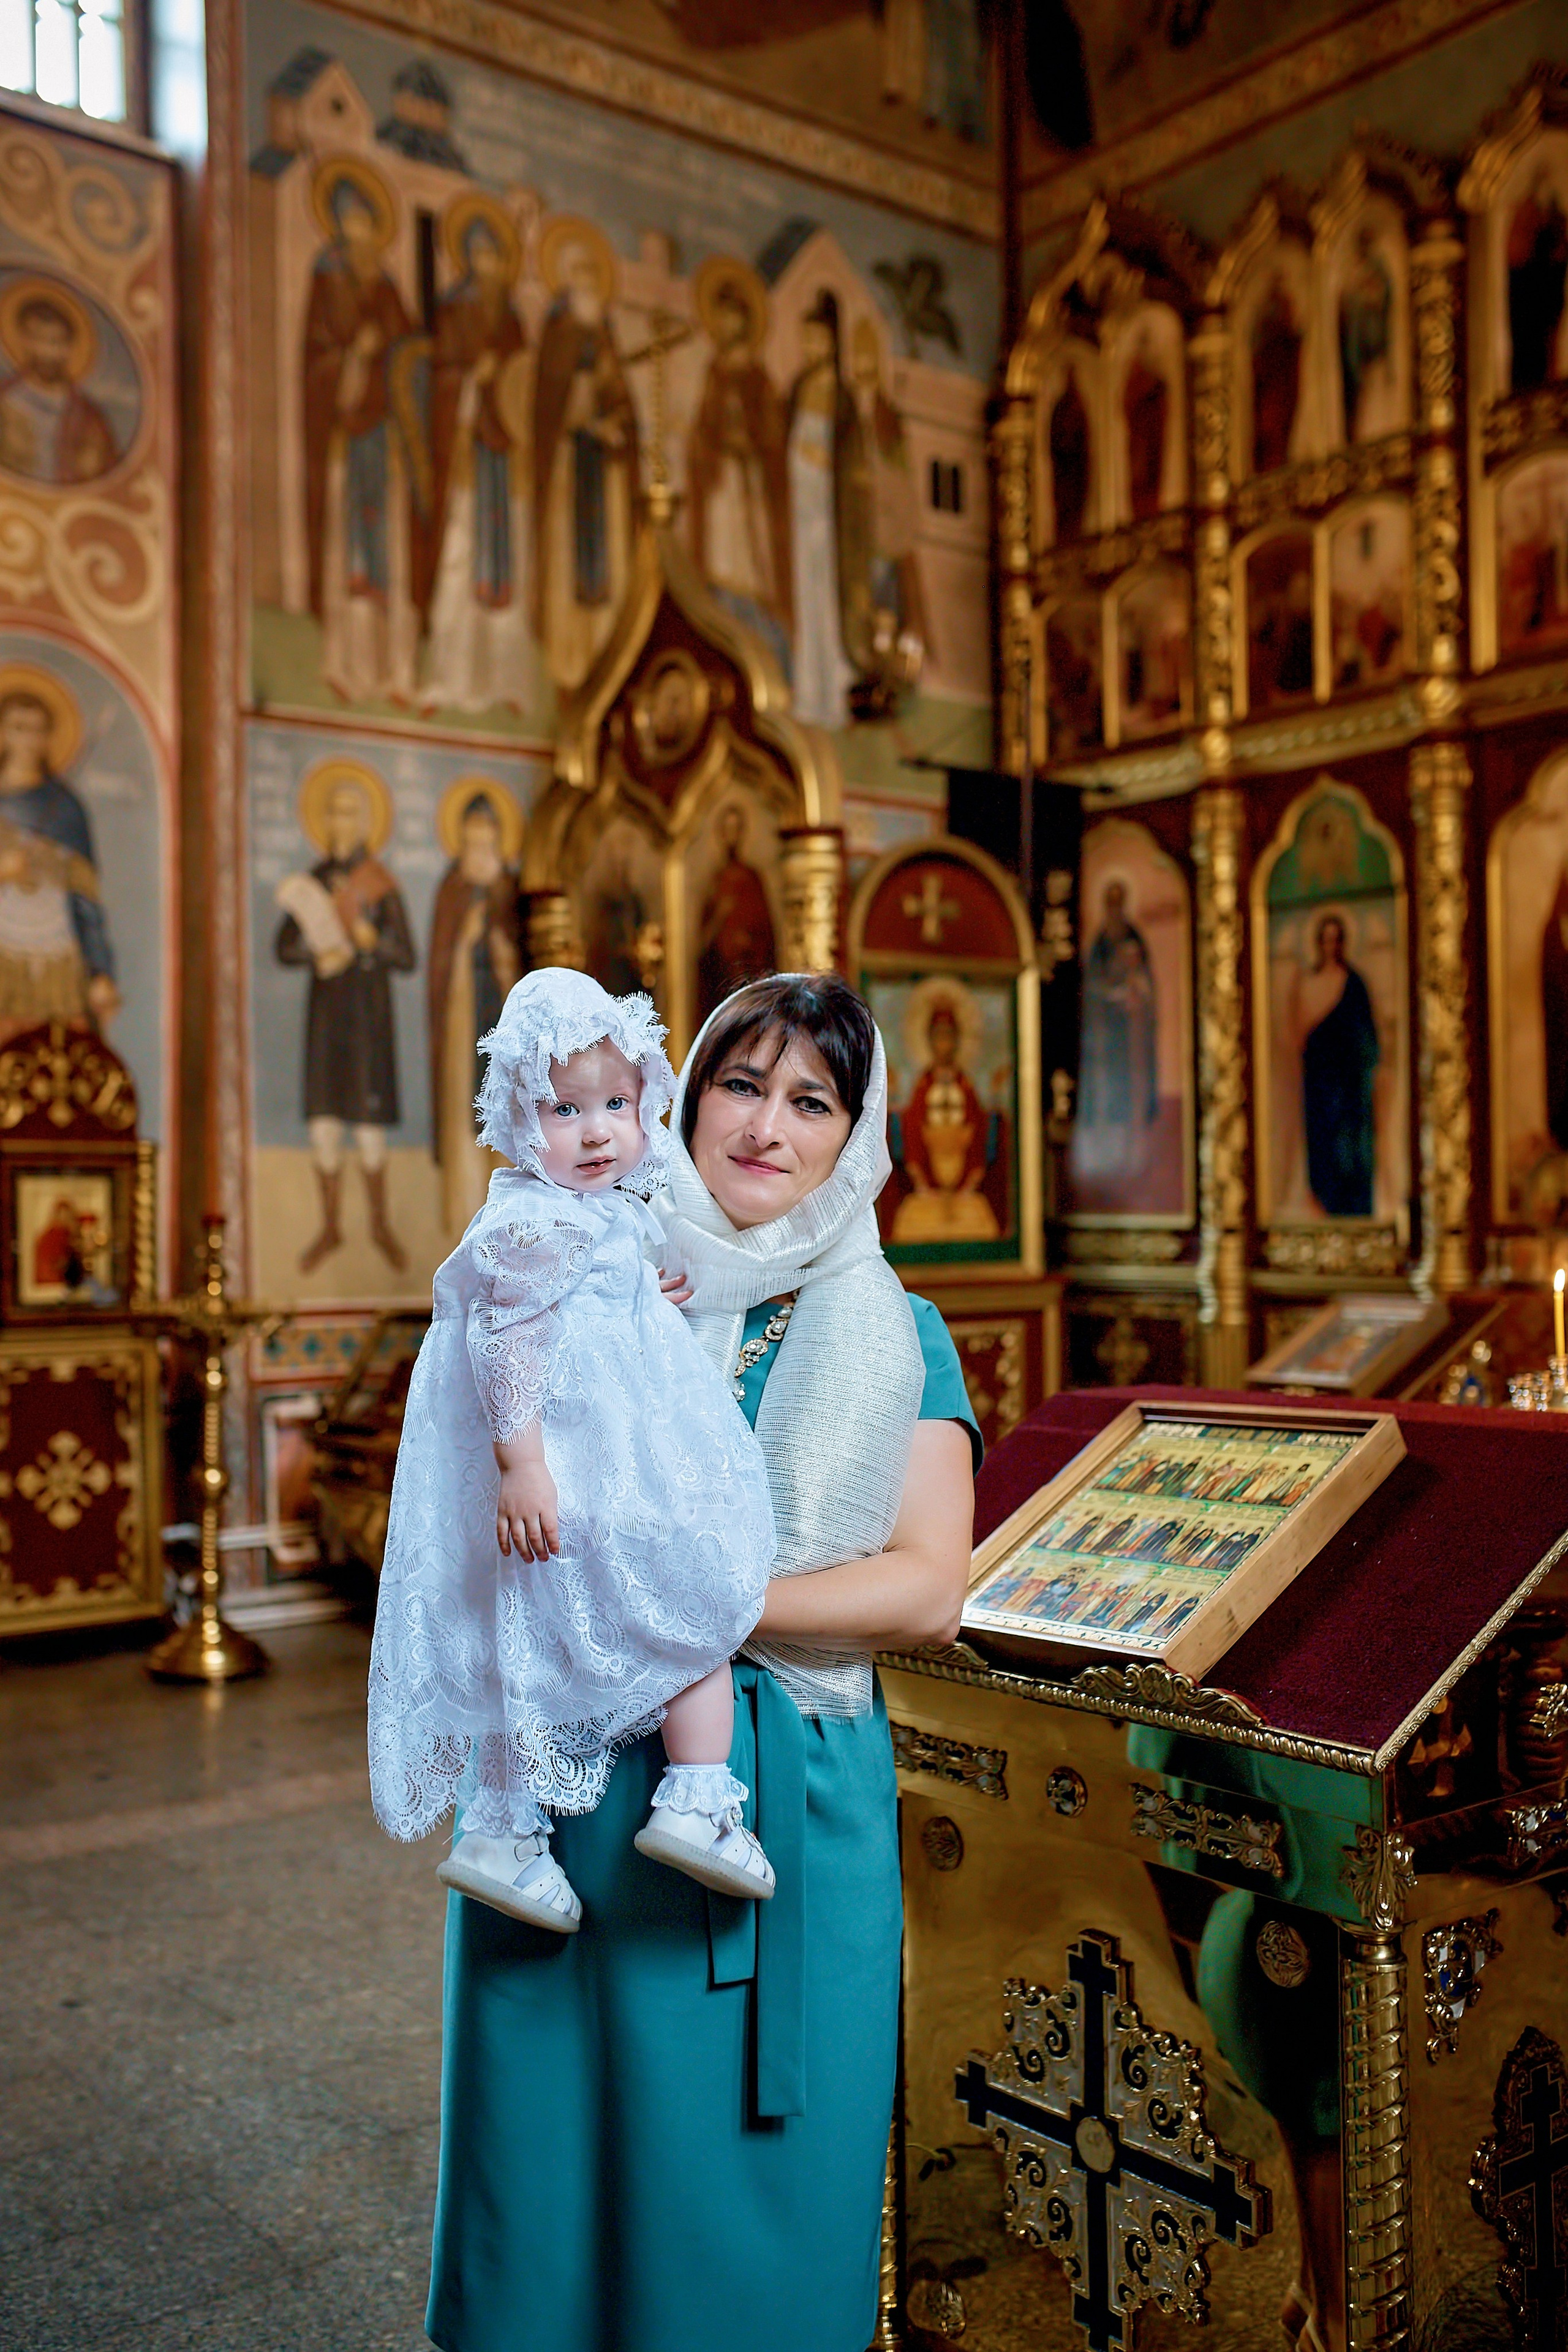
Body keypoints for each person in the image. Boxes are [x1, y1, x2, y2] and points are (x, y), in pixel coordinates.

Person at [424, 971, 979, 2352]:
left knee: (748, 2188)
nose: (764, 1127)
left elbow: (924, 1587)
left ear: (855, 1136)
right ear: (683, 1095)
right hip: (571, 1768)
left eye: (812, 1101)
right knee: (548, 2157)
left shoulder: (894, 1331)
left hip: (772, 1781)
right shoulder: (580, 1263)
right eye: (740, 1083)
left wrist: (695, 1608)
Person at [369, 968, 780, 1929]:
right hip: (577, 1471)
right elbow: (504, 1341)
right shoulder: (533, 1218)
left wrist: (642, 1296)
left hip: (590, 1463)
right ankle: (696, 1797)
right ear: (517, 1118)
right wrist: (523, 1464)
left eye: (618, 1104)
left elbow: (594, 1296)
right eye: (564, 1109)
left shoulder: (594, 1211)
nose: (597, 1131)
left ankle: (507, 1833)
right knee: (693, 1593)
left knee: (528, 1647)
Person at [274, 774, 417, 1272]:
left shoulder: (379, 884)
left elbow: (406, 954)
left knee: (369, 1128)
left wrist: (369, 941)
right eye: (334, 812)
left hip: (368, 1019)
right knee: (325, 1125)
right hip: (327, 1018)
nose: (342, 822)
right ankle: (331, 1226)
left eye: (351, 812)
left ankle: (379, 1225)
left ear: (365, 823)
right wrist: (316, 949)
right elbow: (284, 946)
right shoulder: (312, 881)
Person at [0, 684, 119, 1047]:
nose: (29, 740)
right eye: (19, 728)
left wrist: (100, 971)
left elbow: (86, 901)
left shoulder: (66, 809)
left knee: (59, 1061)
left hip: (58, 957)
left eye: (38, 729)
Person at [426, 792, 523, 1234]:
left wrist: (506, 960)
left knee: (507, 1106)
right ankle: (467, 1212)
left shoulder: (510, 889)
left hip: (505, 1012)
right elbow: (441, 961)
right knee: (468, 1105)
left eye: (488, 834)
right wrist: (465, 945)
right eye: (473, 834)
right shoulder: (454, 888)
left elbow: (530, 961)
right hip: (465, 1016)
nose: (480, 843)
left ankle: (511, 1214)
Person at [1294, 911, 1379, 1218]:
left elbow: (1366, 1036)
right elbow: (1299, 1035)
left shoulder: (1354, 984)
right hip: (1319, 1080)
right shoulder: (1308, 982)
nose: (1331, 946)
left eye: (1336, 940)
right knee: (1322, 1146)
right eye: (1325, 940)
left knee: (1348, 1151)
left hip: (1348, 1084)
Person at [0, 290, 118, 484]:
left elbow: (105, 477)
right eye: (38, 339)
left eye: (56, 342)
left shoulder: (88, 416)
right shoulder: (5, 397)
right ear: (25, 341)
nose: (47, 351)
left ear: (69, 348)